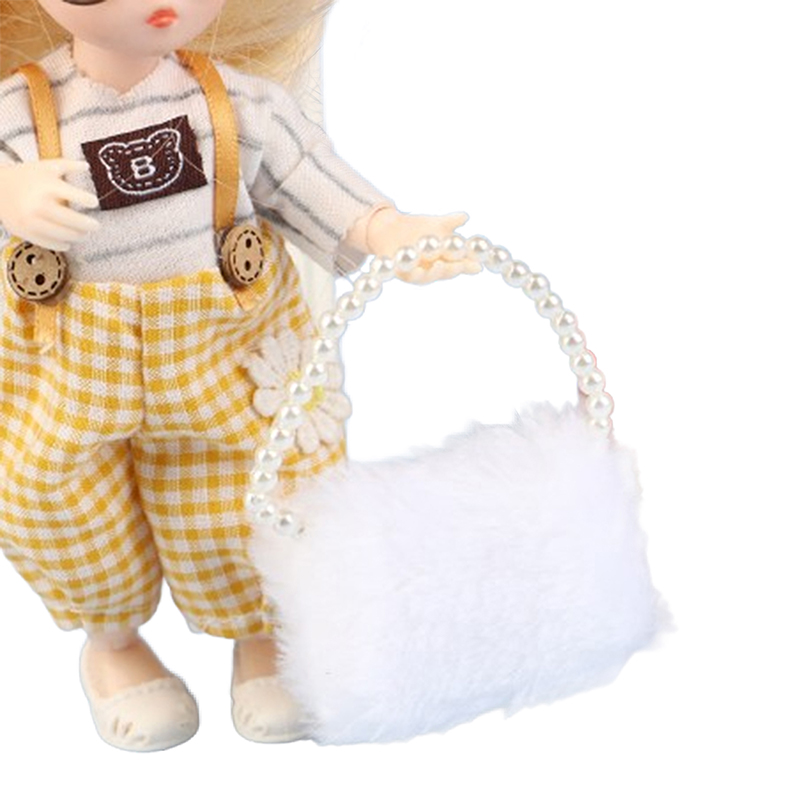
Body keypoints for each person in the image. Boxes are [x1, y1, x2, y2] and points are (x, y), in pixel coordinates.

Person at [0, 0, 475, 752]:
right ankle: (112, 641)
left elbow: (311, 180)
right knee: (56, 494)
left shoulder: (239, 105)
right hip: (70, 363)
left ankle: (260, 630)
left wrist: (387, 231)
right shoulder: (20, 115)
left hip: (220, 349)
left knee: (248, 481)